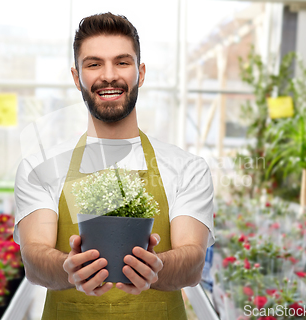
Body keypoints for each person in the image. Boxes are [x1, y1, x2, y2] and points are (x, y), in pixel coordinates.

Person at [14, 12, 215, 320]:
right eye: (94, 64)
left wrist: (156, 269)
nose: (108, 75)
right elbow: (34, 255)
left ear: (141, 73)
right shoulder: (40, 167)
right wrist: (68, 270)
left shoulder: (187, 168)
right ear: (76, 77)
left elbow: (193, 262)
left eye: (122, 62)